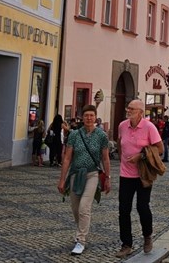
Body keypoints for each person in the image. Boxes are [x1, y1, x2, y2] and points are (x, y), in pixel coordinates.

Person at [57, 104, 111, 256]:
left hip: (92, 174)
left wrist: (107, 178)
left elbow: (106, 159)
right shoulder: (74, 135)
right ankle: (82, 231)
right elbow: (67, 158)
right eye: (86, 115)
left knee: (84, 207)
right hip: (75, 174)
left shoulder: (102, 136)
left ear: (95, 118)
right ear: (82, 117)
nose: (89, 118)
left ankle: (81, 240)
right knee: (75, 208)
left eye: (91, 116)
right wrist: (62, 179)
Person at [116, 99, 163, 258]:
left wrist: (141, 155)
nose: (128, 111)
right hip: (125, 174)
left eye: (132, 109)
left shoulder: (149, 127)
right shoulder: (122, 126)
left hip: (143, 174)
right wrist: (124, 158)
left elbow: (160, 149)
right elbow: (119, 143)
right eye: (128, 108)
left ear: (141, 113)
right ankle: (126, 244)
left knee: (142, 206)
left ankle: (147, 236)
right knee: (123, 209)